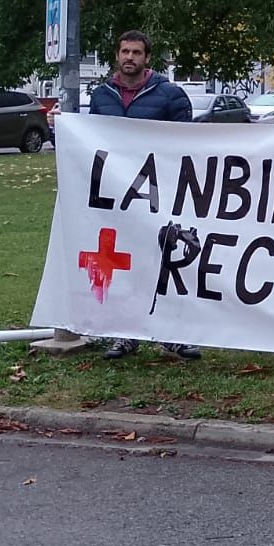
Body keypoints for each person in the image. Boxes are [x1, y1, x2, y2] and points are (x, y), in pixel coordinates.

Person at [88, 30, 200, 361]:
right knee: (123, 264)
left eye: (137, 52)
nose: (130, 57)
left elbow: (186, 145)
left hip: (158, 196)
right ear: (117, 55)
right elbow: (90, 139)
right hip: (115, 197)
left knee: (164, 263)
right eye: (125, 51)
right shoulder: (102, 96)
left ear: (147, 58)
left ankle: (172, 335)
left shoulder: (170, 96)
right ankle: (125, 335)